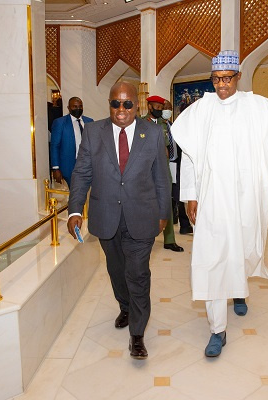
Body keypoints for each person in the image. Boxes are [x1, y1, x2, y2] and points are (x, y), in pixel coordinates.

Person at [170, 50, 268, 358]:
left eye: (227, 79)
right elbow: (189, 155)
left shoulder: (258, 107)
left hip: (246, 197)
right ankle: (217, 330)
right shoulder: (200, 110)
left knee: (244, 249)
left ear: (237, 77)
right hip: (212, 198)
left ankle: (238, 290)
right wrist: (190, 194)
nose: (221, 85)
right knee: (212, 257)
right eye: (216, 79)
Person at [67, 82, 171, 360]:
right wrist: (75, 210)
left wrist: (163, 213)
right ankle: (125, 306)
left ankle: (137, 334)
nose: (121, 109)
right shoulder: (92, 132)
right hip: (106, 216)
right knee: (117, 270)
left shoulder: (152, 133)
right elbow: (81, 174)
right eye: (116, 103)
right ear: (109, 104)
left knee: (138, 273)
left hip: (142, 215)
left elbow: (162, 177)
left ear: (137, 105)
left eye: (127, 104)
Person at [141, 95, 184, 252]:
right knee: (146, 205)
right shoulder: (140, 123)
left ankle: (169, 239)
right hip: (146, 172)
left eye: (161, 108)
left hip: (163, 170)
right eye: (157, 108)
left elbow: (167, 148)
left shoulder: (163, 124)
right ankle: (145, 237)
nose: (160, 111)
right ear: (150, 107)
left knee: (166, 202)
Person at [163, 100, 193, 235]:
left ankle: (184, 224)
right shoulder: (157, 126)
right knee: (167, 195)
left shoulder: (173, 125)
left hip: (177, 163)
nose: (168, 111)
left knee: (179, 194)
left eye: (170, 108)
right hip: (165, 163)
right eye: (166, 108)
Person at [50, 96, 94, 188]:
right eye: (75, 106)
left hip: (87, 165)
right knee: (72, 195)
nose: (78, 108)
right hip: (68, 167)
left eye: (80, 106)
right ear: (69, 108)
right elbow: (55, 146)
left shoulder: (90, 122)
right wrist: (55, 168)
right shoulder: (60, 122)